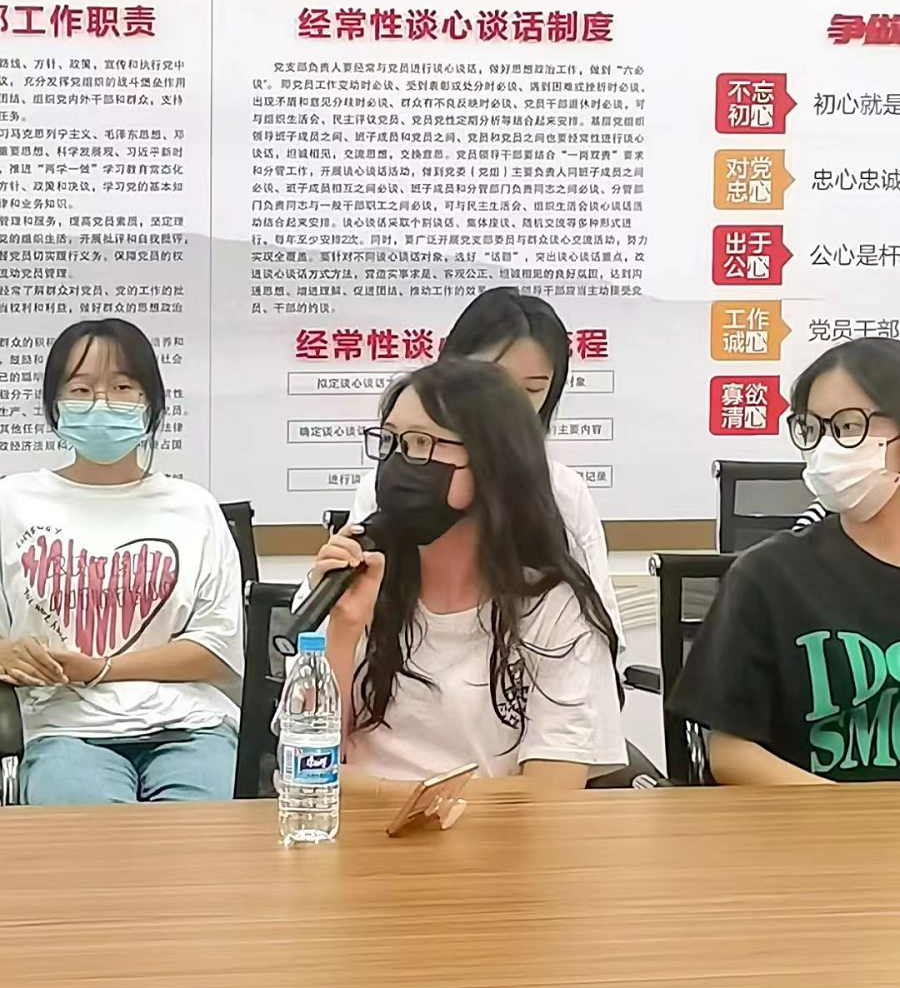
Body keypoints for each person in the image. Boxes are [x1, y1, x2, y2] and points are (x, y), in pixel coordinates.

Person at [311, 357, 626, 794]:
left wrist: (378, 790)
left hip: (494, 836)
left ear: (492, 460)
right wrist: (343, 631)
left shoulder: (555, 608)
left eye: (421, 443)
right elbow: (307, 764)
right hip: (353, 832)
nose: (399, 462)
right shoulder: (356, 582)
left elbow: (551, 790)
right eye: (390, 441)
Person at [0, 318, 244, 805]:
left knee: (199, 840)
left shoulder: (194, 507)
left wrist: (101, 668)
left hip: (192, 727)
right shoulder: (12, 501)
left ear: (149, 402)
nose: (101, 403)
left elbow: (216, 649)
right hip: (64, 730)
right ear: (55, 404)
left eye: (121, 387)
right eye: (81, 389)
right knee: (92, 841)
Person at [315, 288, 624, 652]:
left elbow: (599, 631)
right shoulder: (391, 485)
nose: (505, 405)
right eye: (488, 382)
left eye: (531, 390)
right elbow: (323, 650)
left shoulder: (564, 493)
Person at [669, 337, 900, 785]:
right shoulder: (769, 576)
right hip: (815, 819)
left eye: (849, 426)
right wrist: (851, 812)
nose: (828, 448)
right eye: (812, 429)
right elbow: (730, 753)